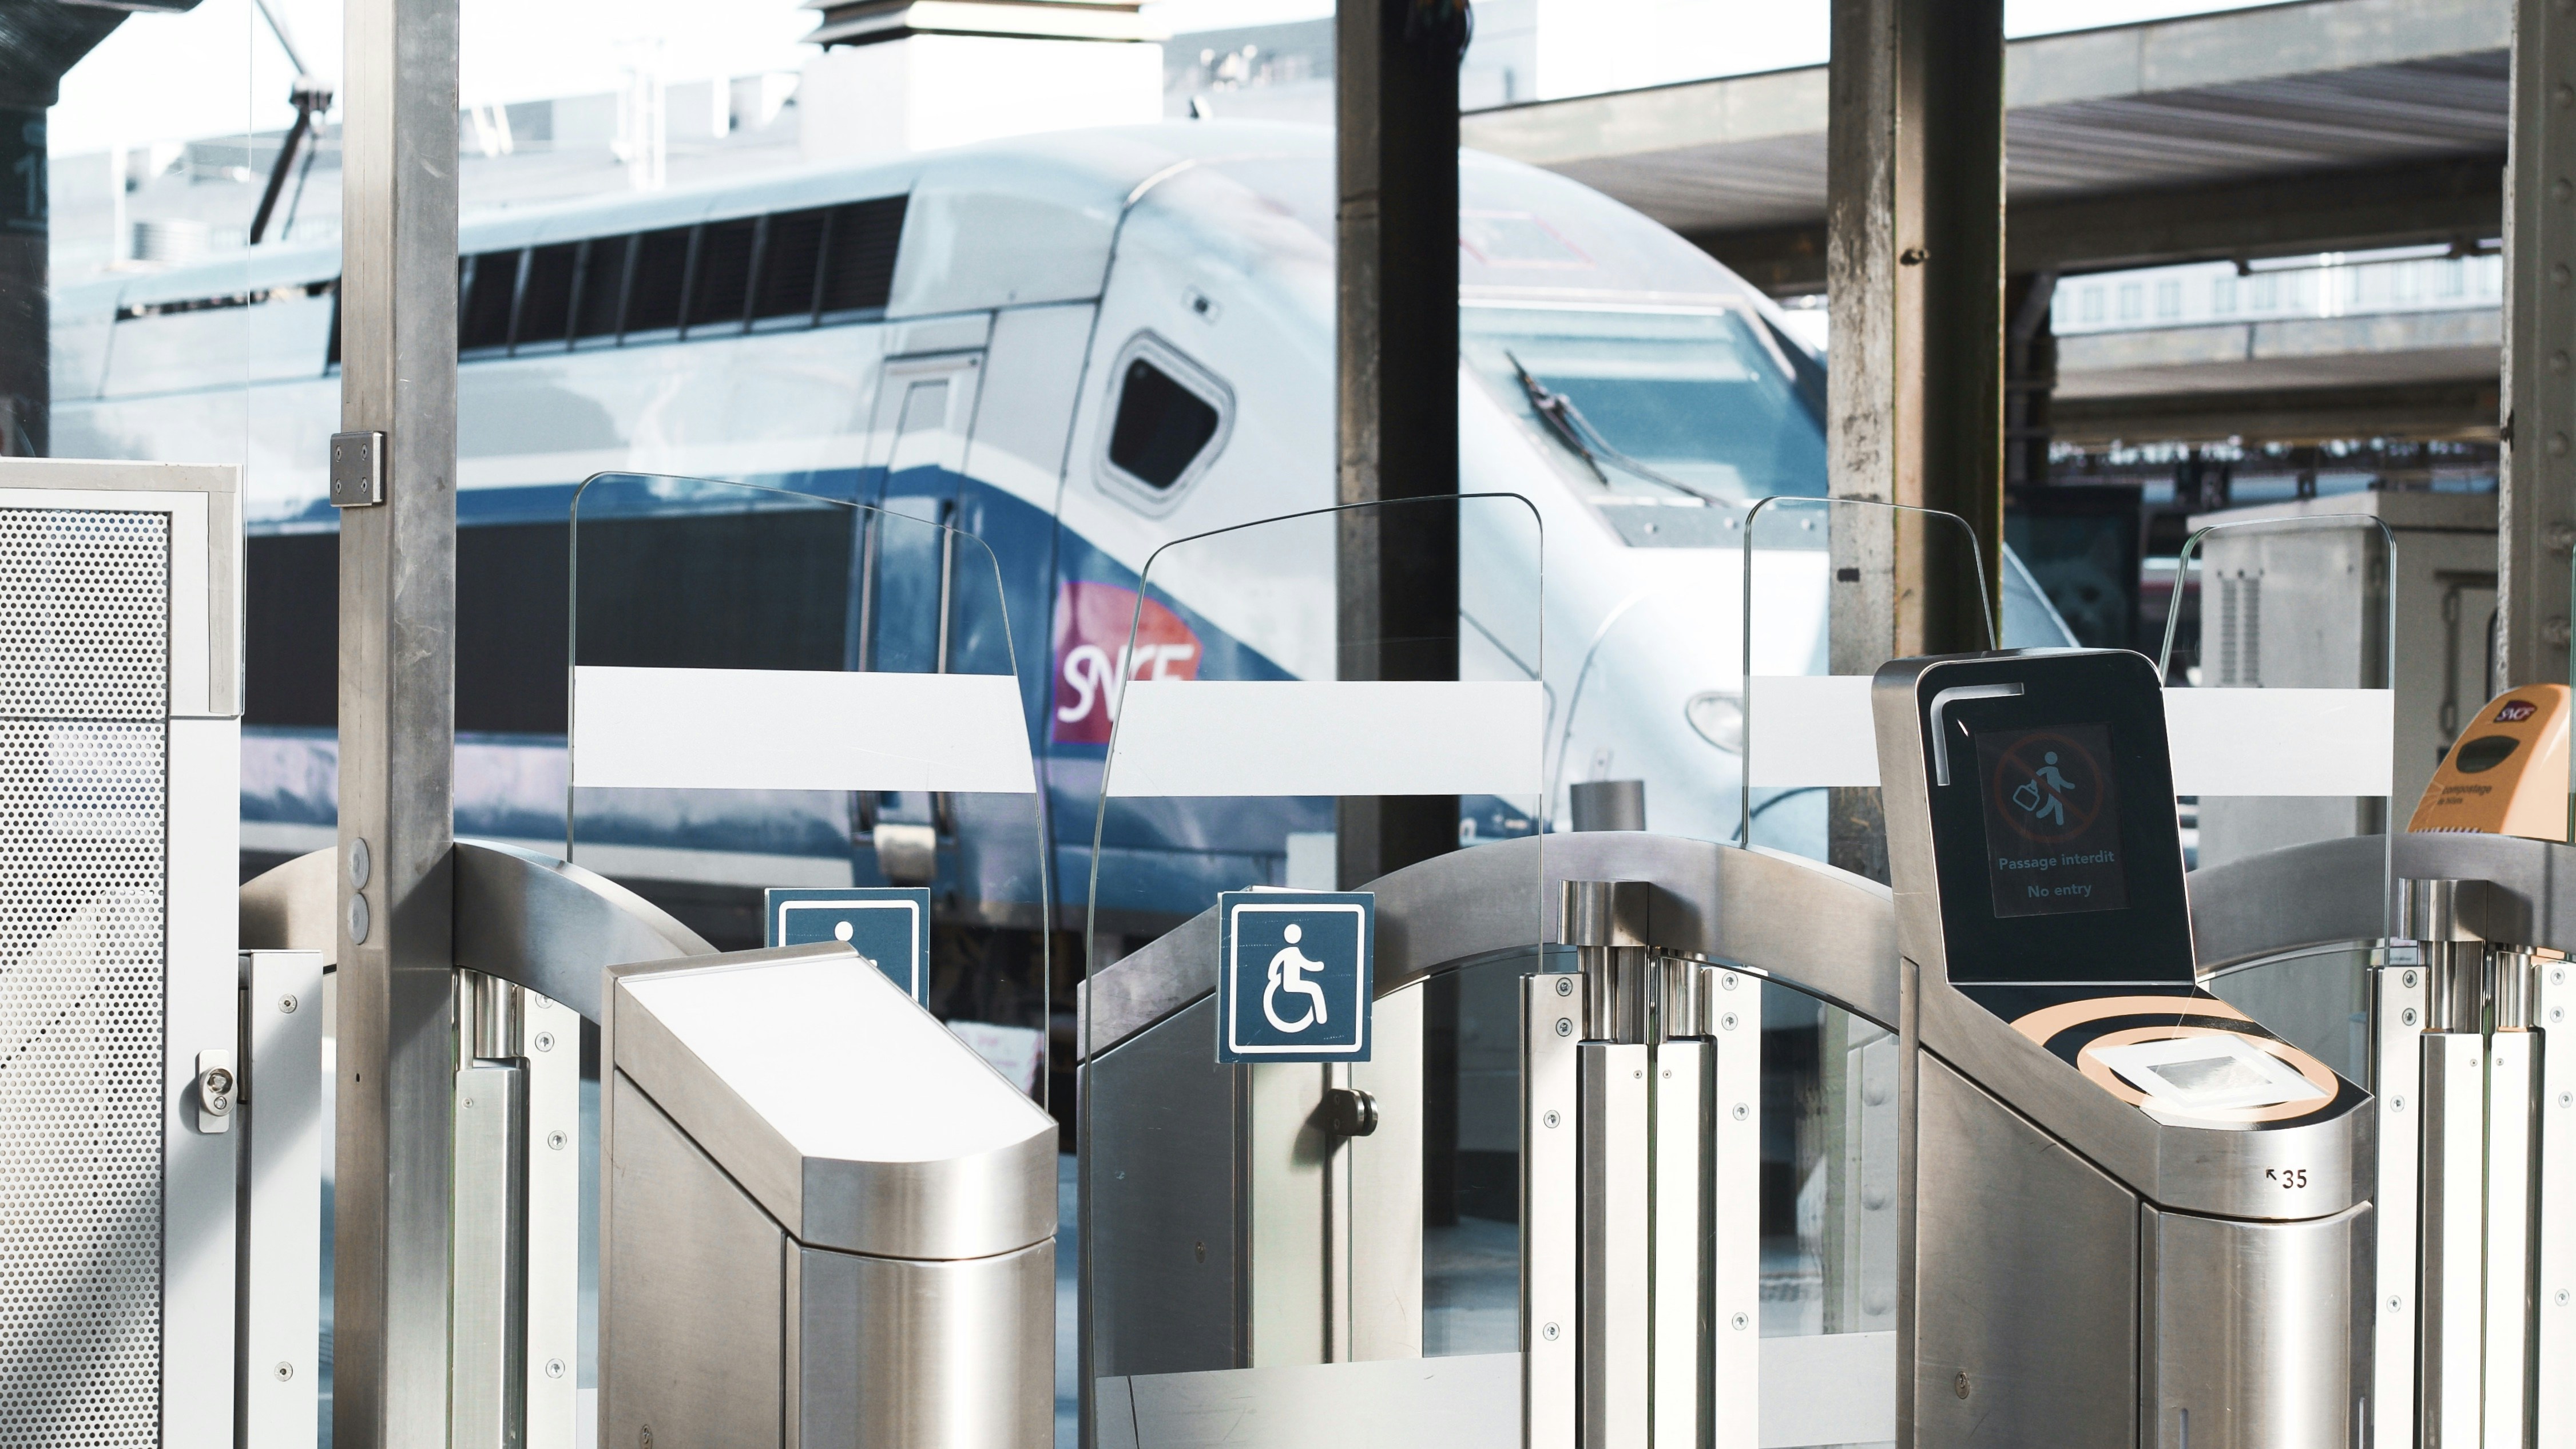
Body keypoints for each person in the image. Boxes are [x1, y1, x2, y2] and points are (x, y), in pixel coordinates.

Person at [1263, 923, 1331, 1033]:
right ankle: (1321, 1017)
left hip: (1289, 983)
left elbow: (1276, 963)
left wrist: (1272, 976)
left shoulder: (1290, 952)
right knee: (1315, 988)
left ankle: (1321, 1017)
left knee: (1315, 988)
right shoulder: (1292, 953)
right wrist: (1318, 966)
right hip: (1291, 984)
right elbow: (1307, 965)